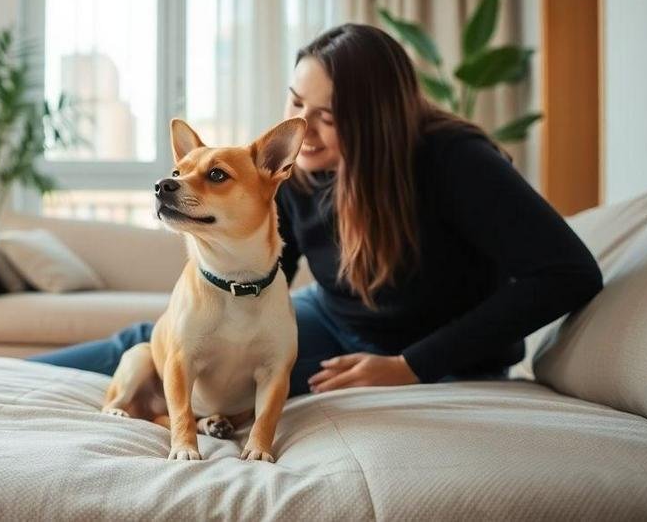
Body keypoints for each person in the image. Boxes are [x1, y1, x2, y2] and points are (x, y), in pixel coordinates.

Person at [30, 23, 603, 397]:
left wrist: (412, 365)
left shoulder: (455, 160)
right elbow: (271, 264)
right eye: (297, 102)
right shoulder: (298, 165)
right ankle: (3, 381)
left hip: (443, 357)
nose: (306, 129)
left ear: (378, 121)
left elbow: (567, 273)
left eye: (330, 115)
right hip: (332, 320)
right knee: (164, 339)